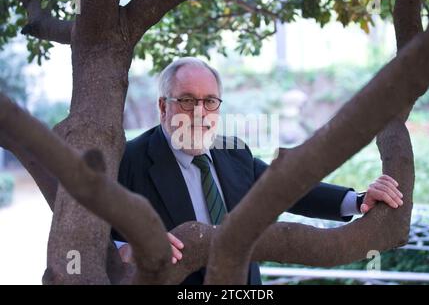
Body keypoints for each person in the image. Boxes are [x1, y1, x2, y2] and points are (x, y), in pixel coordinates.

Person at [112, 57, 403, 284]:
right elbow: (91, 235)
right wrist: (127, 249)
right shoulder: (127, 161)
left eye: (210, 101)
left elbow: (285, 190)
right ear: (163, 107)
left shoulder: (234, 152)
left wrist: (357, 200)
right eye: (187, 101)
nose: (200, 113)